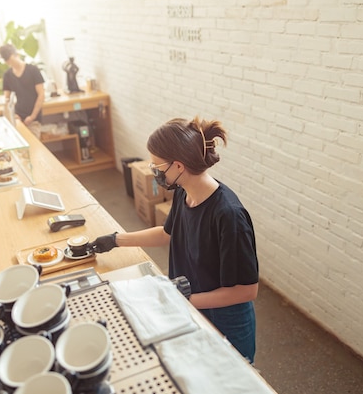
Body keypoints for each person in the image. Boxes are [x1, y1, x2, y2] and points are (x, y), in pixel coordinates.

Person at [90, 117, 259, 362]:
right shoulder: (184, 193)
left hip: (225, 322)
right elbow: (167, 233)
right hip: (192, 307)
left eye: (157, 166)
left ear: (178, 166)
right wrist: (116, 240)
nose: (154, 171)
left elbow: (246, 291)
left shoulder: (228, 216)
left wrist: (183, 297)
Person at [0, 44, 45, 125]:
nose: (11, 64)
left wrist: (32, 117)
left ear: (17, 55)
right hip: (18, 117)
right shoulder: (7, 75)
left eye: (12, 60)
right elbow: (7, 99)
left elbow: (41, 95)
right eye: (8, 62)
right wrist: (13, 114)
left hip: (34, 118)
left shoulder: (33, 70)